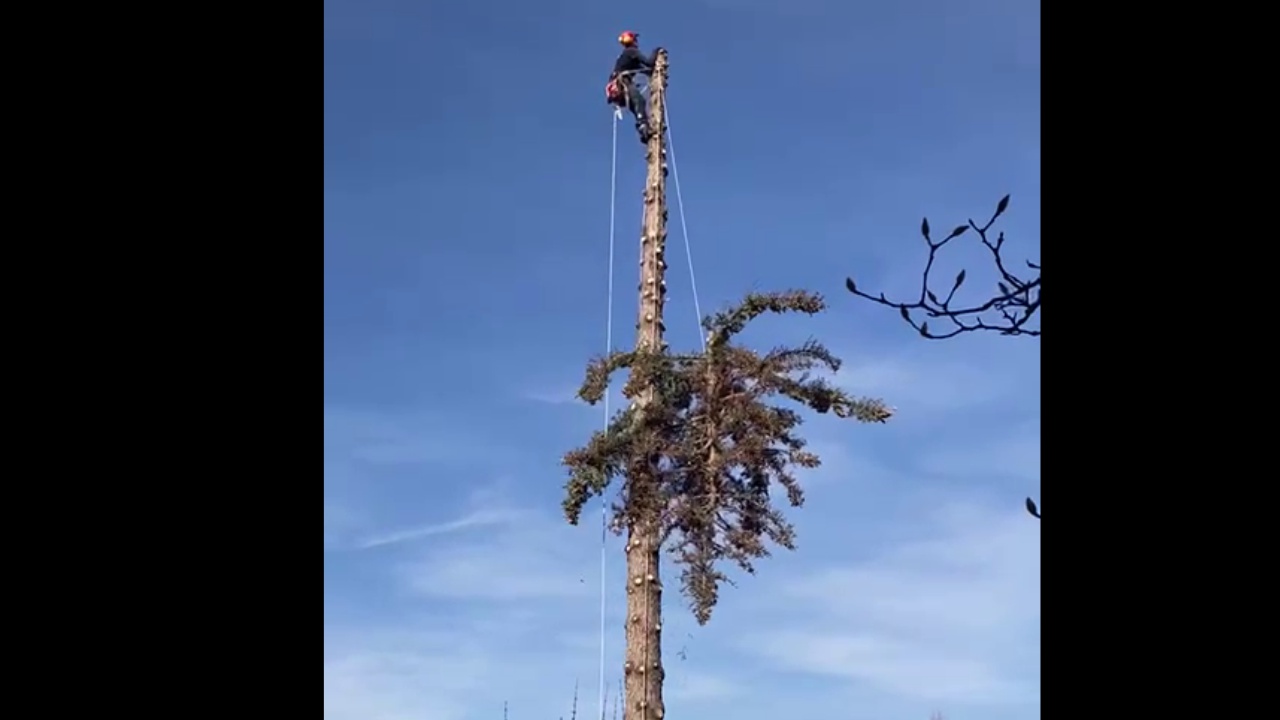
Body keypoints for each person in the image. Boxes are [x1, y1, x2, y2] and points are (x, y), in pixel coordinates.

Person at [606, 31, 661, 143]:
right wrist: (657, 51)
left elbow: (647, 70)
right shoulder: (632, 51)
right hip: (623, 83)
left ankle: (643, 129)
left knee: (637, 106)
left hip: (618, 88)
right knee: (639, 101)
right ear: (633, 41)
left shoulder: (625, 56)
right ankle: (644, 128)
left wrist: (651, 73)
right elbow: (649, 63)